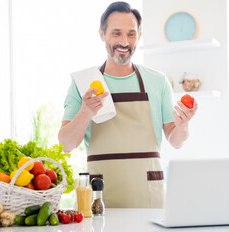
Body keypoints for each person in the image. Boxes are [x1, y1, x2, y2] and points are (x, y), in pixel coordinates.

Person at [58, 1, 198, 208]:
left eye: (131, 34)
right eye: (116, 33)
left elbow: (175, 141)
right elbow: (65, 145)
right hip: (100, 194)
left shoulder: (157, 81)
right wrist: (86, 111)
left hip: (149, 192)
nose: (124, 41)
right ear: (102, 34)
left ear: (139, 36)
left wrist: (184, 123)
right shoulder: (83, 82)